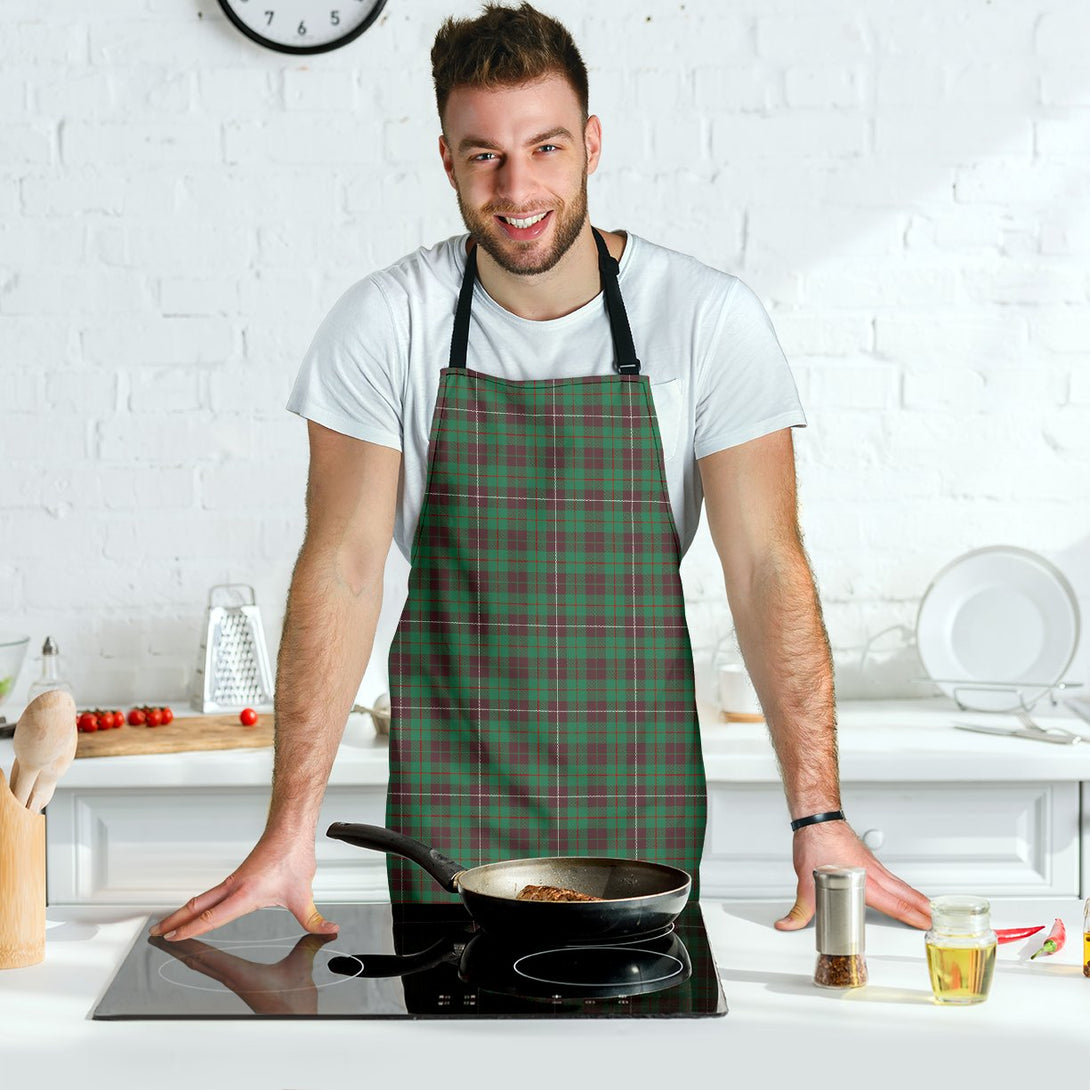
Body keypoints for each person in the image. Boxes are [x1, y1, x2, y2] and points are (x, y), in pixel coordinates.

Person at [152, 2, 931, 942]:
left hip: (640, 802)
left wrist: (819, 813)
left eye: (546, 147)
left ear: (592, 144)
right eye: (484, 153)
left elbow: (767, 566)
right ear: (446, 158)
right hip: (450, 808)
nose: (517, 186)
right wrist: (289, 828)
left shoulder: (706, 319)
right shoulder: (386, 322)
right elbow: (343, 570)